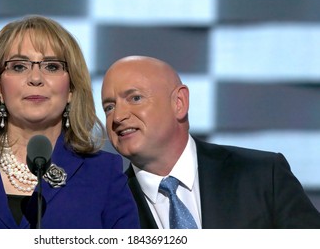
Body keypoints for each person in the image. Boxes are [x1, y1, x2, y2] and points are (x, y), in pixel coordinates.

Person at [0, 15, 140, 229]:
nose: (35, 78)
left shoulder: (104, 172)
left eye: (51, 66)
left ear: (71, 88)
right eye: (19, 66)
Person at [101, 55, 320, 229]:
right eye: (109, 107)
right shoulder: (105, 206)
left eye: (135, 98)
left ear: (179, 103)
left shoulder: (263, 175)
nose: (118, 117)